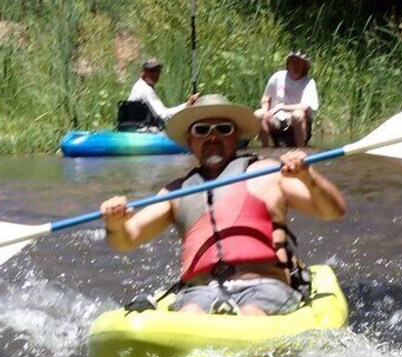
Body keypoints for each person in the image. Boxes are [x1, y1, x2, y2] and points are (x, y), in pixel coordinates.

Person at [99, 94, 345, 316]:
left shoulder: (268, 173)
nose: (212, 136)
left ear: (236, 136)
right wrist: (115, 223)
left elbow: (332, 211)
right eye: (202, 129)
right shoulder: (175, 192)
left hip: (265, 285)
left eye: (223, 129)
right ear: (190, 139)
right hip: (203, 292)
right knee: (191, 313)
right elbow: (127, 239)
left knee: (251, 312)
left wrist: (308, 177)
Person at [255, 50, 319, 148]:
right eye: (292, 62)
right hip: (275, 119)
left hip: (296, 120)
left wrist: (282, 107)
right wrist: (265, 111)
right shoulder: (278, 77)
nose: (295, 66)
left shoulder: (309, 82)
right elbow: (266, 98)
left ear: (304, 66)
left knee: (297, 115)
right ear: (288, 64)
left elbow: (304, 106)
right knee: (258, 114)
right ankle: (265, 149)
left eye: (299, 63)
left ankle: (300, 149)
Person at [126, 58, 198, 124]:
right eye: (151, 71)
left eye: (158, 71)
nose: (155, 74)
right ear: (142, 73)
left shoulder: (138, 85)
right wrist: (187, 105)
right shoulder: (146, 89)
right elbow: (163, 116)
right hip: (143, 131)